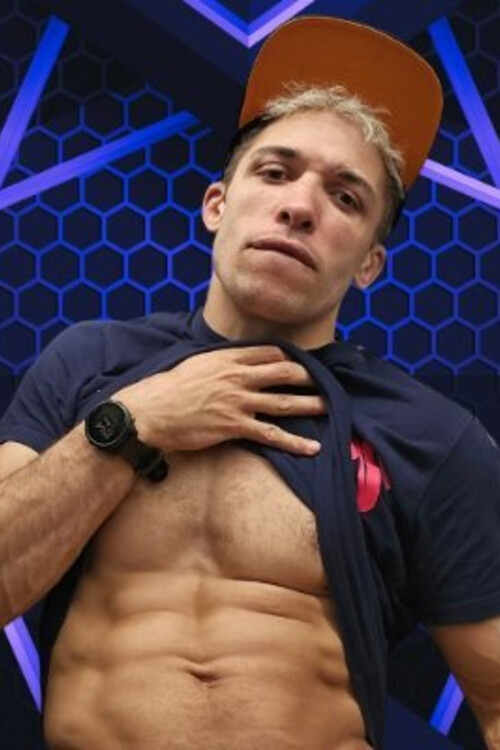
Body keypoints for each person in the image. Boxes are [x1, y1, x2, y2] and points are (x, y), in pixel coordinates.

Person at [0, 14, 499, 750]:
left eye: (346, 198)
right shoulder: (89, 362)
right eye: (274, 172)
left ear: (369, 263)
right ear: (217, 205)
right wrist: (129, 426)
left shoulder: (433, 437)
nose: (299, 207)